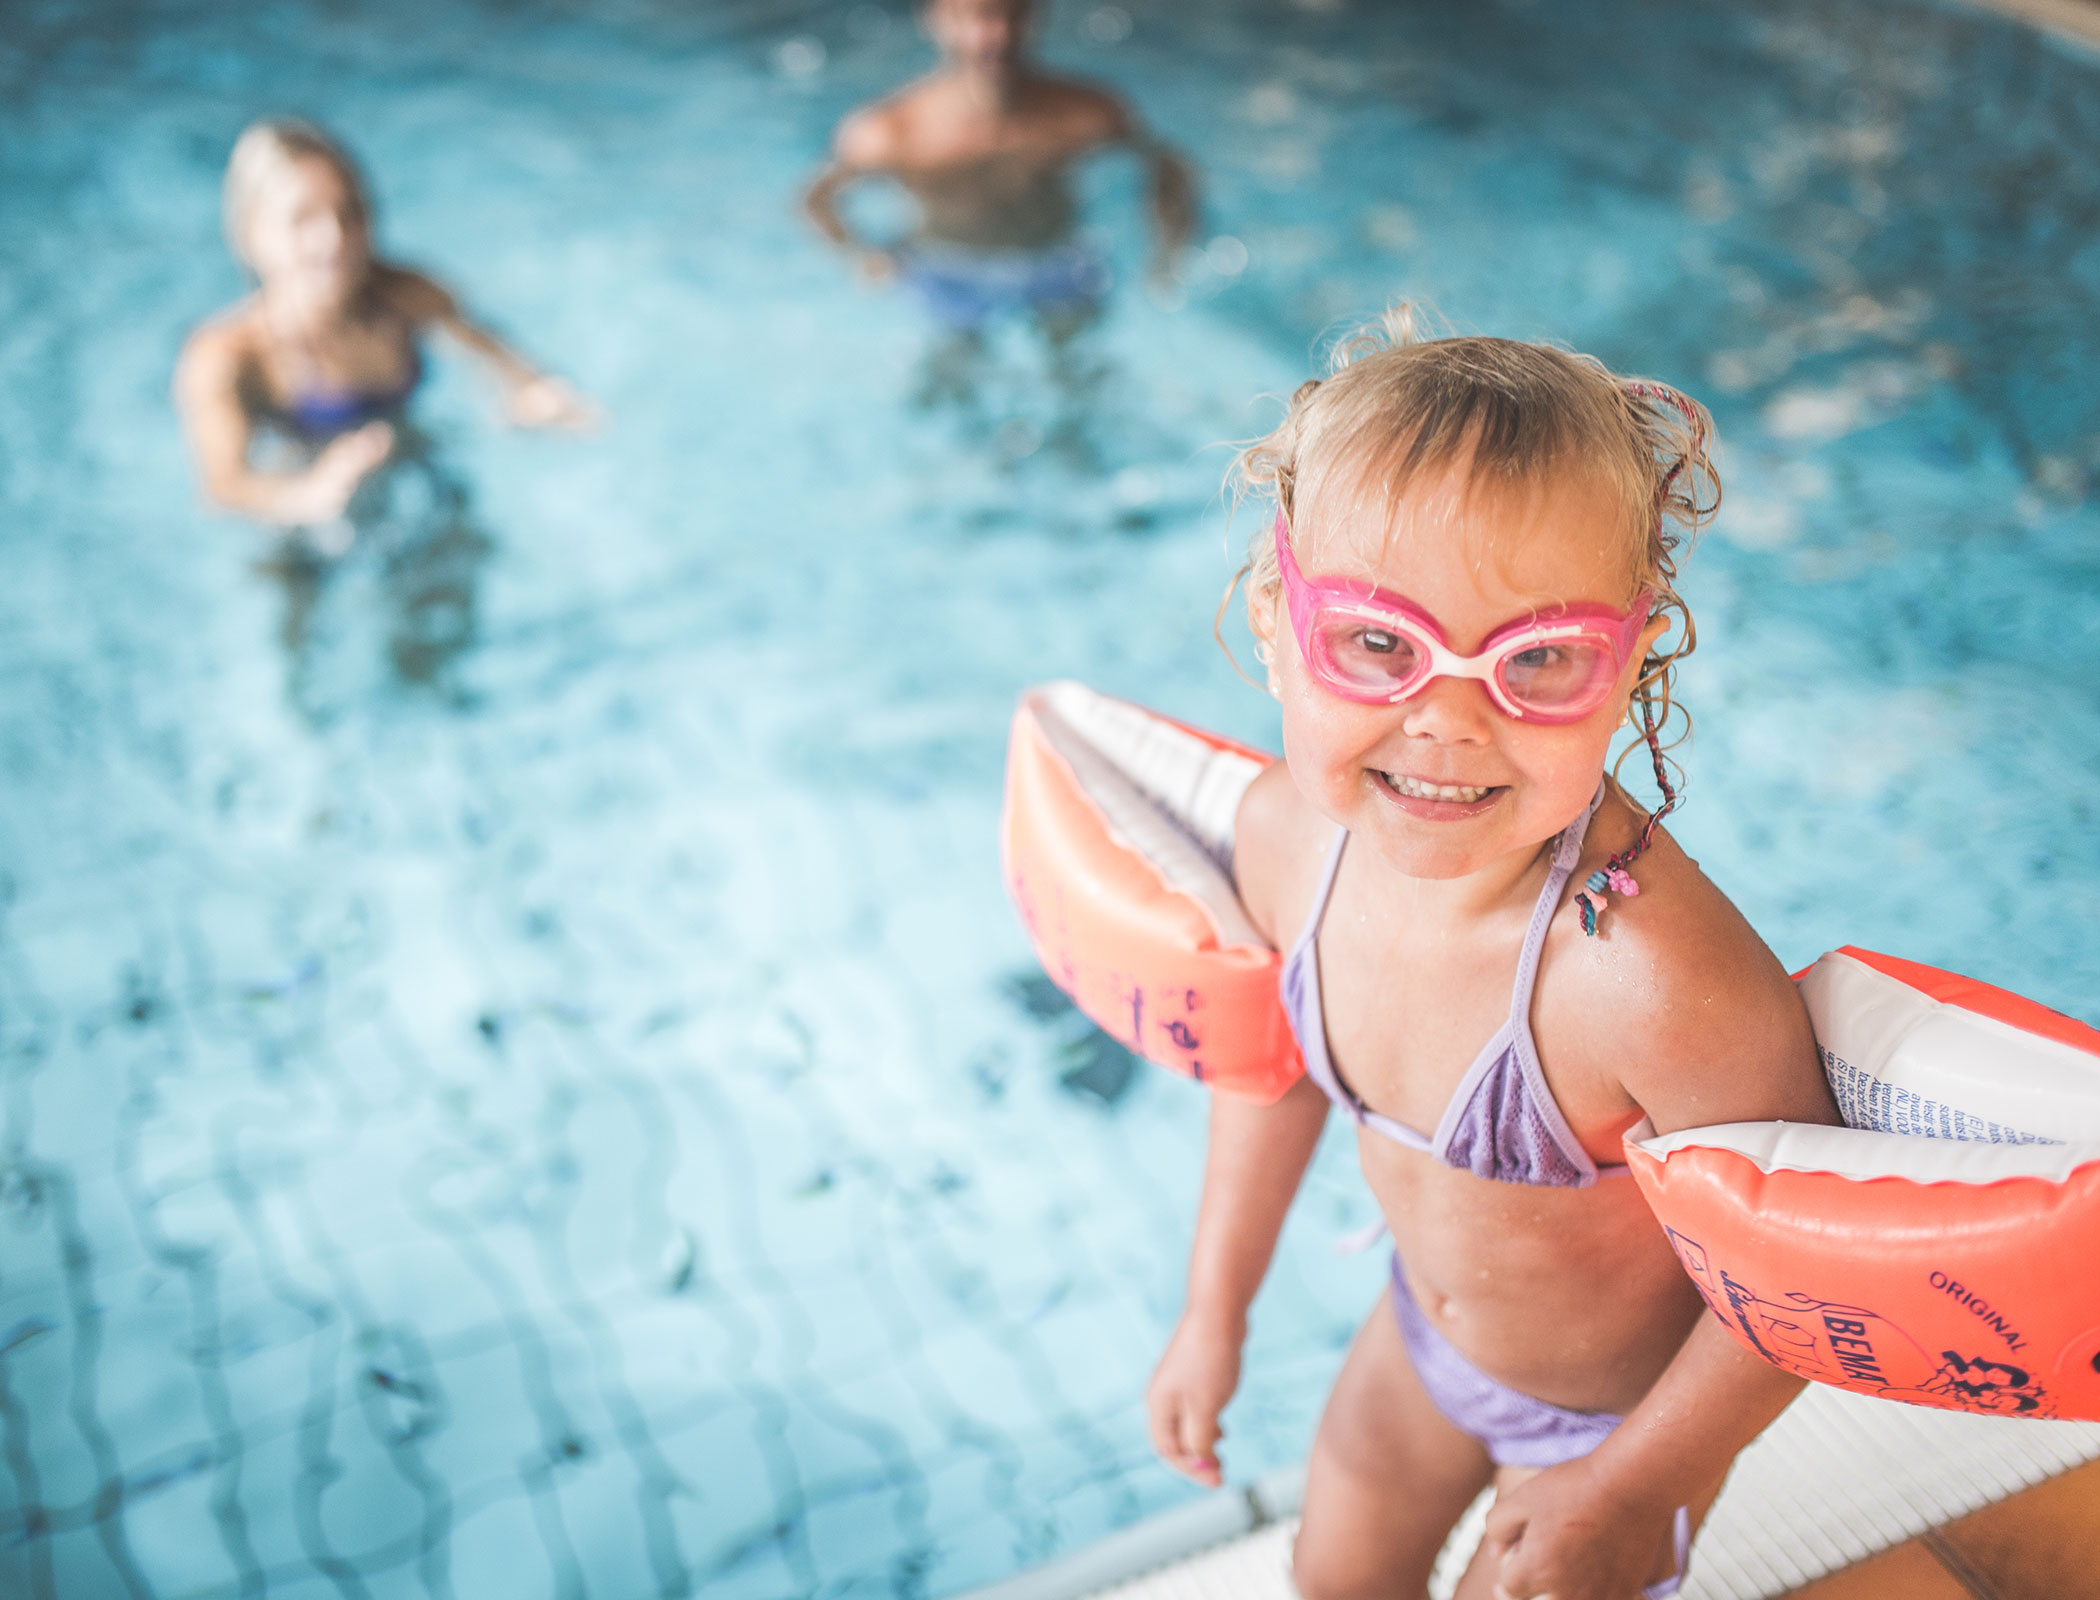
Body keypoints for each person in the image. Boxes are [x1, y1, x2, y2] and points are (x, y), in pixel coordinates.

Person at [1144, 315, 1843, 1600]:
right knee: (1333, 1581)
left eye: (1538, 661)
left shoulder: (1644, 977)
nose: (1448, 722)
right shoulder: (1290, 842)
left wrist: (1639, 1484)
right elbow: (1275, 1069)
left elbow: (1804, 1279)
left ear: (1630, 661)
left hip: (1615, 1424)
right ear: (1273, 617)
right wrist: (1214, 1309)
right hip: (1422, 1342)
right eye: (1377, 642)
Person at [175, 118, 594, 555]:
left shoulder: (407, 296)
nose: (334, 238)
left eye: (348, 212)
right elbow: (223, 487)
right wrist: (304, 496)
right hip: (302, 476)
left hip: (410, 453)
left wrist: (533, 391)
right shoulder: (227, 355)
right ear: (250, 235)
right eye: (302, 219)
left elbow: (490, 353)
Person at [803, 0, 1194, 406]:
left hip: (1056, 265)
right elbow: (815, 199)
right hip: (948, 271)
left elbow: (1169, 165)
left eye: (1012, 16)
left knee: (1080, 387)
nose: (996, 36)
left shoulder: (1082, 113)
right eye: (974, 18)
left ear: (1035, 17)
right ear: (936, 22)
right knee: (949, 390)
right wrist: (861, 257)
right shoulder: (893, 130)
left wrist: (1168, 252)